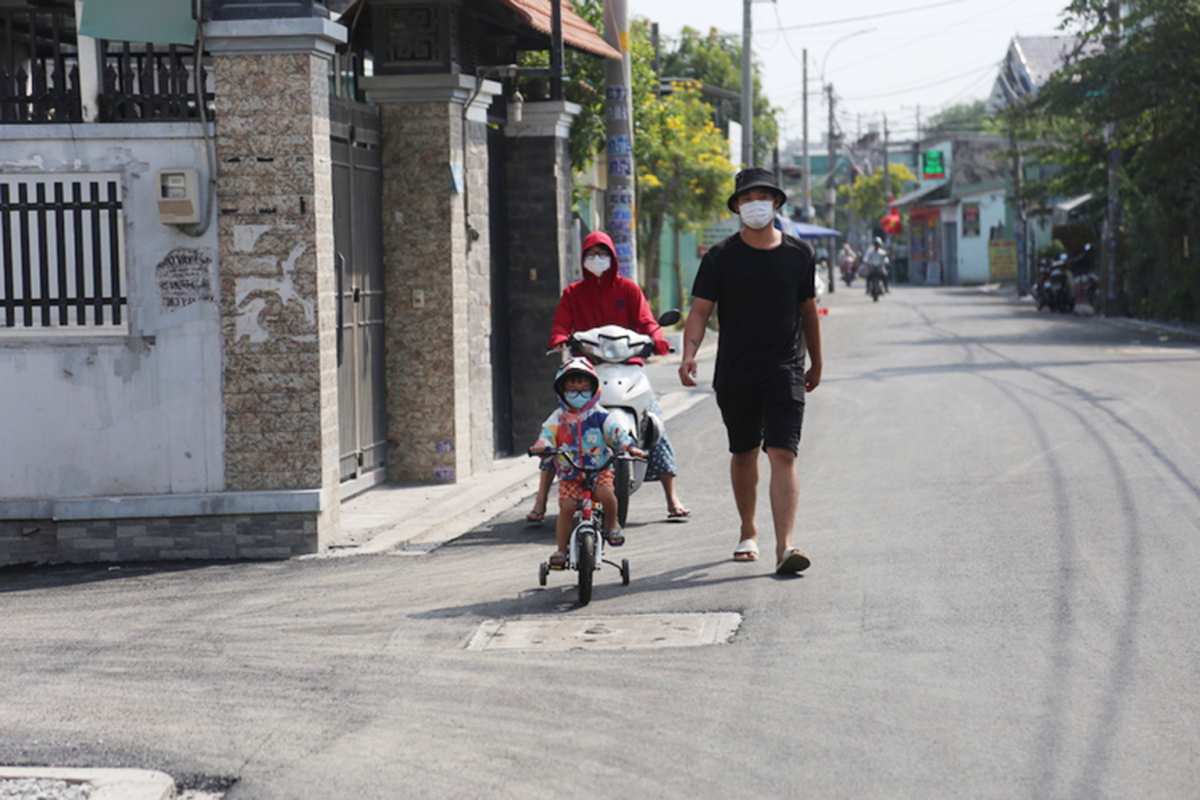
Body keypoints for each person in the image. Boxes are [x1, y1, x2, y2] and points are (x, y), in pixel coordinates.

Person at [678, 167, 823, 575]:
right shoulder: (721, 257)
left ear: (776, 202)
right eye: (746, 197)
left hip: (785, 368)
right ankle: (748, 529)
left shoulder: (800, 255)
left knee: (783, 452)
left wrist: (817, 360)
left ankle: (786, 546)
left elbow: (807, 310)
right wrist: (688, 354)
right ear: (737, 206)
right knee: (743, 453)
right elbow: (700, 311)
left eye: (763, 196)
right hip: (736, 371)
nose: (754, 203)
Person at [526, 231, 690, 523]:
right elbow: (561, 323)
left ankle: (671, 495)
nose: (597, 260)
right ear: (583, 259)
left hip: (627, 366)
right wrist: (559, 338)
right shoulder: (573, 293)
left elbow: (647, 321)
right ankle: (541, 499)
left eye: (602, 254)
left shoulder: (628, 289)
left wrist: (657, 338)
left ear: (612, 258)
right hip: (586, 370)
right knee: (559, 426)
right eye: (591, 254)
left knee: (655, 422)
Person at [530, 358, 645, 569]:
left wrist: (629, 447)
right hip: (569, 471)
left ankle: (613, 523)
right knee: (566, 508)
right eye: (572, 390)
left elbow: (617, 434)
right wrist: (542, 445)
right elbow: (547, 435)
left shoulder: (601, 416)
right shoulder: (558, 418)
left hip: (599, 469)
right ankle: (561, 550)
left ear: (594, 390)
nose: (578, 395)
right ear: (562, 391)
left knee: (606, 494)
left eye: (583, 390)